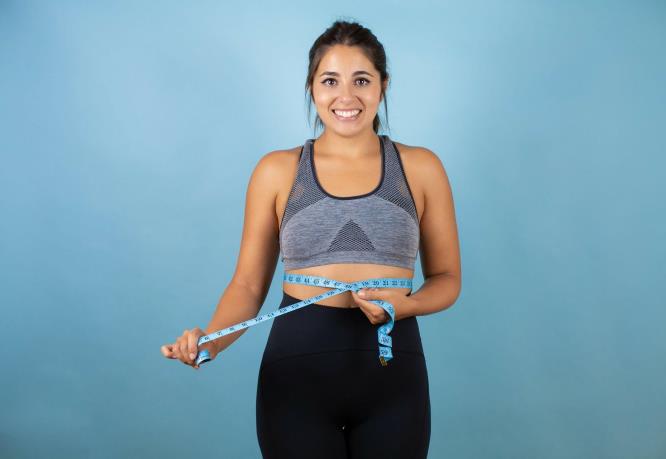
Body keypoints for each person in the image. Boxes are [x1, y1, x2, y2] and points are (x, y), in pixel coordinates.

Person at [161, 19, 461, 459]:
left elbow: (447, 278)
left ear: (383, 85)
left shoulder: (421, 168)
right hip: (296, 382)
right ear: (311, 87)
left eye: (362, 80)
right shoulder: (277, 171)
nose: (346, 96)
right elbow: (247, 285)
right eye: (330, 81)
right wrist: (211, 340)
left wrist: (405, 306)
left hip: (394, 378)